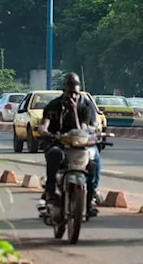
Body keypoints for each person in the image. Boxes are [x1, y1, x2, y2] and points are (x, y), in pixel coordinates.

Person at [37, 73, 101, 216]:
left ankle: (89, 201)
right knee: (55, 154)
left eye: (76, 93)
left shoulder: (85, 106)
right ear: (64, 91)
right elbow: (44, 124)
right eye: (70, 93)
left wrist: (73, 112)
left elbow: (82, 129)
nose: (73, 97)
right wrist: (44, 131)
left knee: (93, 163)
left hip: (79, 144)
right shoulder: (53, 105)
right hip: (58, 142)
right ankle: (51, 193)